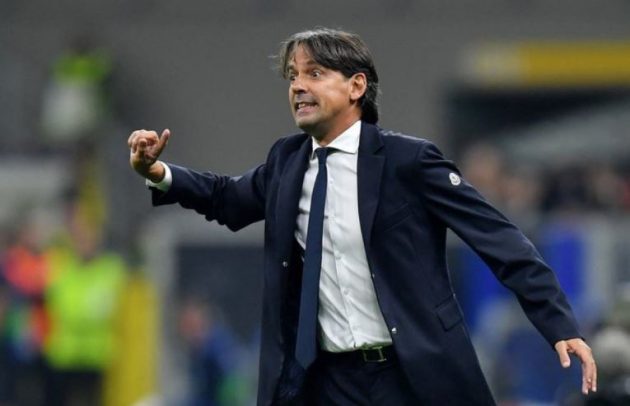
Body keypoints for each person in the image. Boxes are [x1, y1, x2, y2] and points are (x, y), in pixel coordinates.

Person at [127, 28, 597, 405]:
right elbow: (226, 199)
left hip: (410, 374)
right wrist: (158, 171)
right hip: (324, 381)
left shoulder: (409, 161)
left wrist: (558, 324)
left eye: (314, 73)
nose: (298, 86)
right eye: (293, 76)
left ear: (356, 86)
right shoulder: (286, 162)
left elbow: (499, 238)